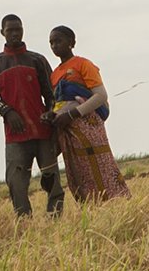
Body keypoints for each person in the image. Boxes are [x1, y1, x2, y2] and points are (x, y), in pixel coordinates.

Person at [0, 13, 62, 217]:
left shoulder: (37, 60)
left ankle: (56, 221)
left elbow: (53, 94)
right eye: (10, 30)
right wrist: (6, 111)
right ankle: (25, 224)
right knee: (16, 184)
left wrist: (50, 113)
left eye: (18, 29)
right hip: (15, 135)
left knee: (52, 179)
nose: (15, 33)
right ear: (2, 33)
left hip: (43, 132)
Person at [45, 25, 131, 202]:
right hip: (67, 130)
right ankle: (91, 212)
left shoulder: (83, 64)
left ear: (71, 42)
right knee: (78, 173)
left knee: (101, 167)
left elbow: (100, 96)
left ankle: (119, 206)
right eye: (51, 42)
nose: (54, 46)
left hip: (88, 126)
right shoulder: (54, 74)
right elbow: (58, 103)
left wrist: (72, 114)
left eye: (58, 41)